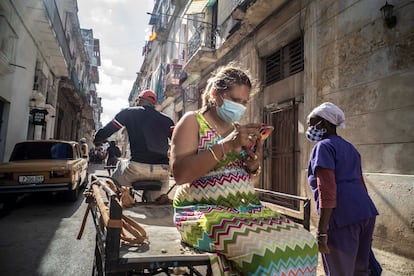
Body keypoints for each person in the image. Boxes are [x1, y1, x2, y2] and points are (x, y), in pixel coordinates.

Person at [170, 64, 318, 275]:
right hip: (201, 210)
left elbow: (248, 184)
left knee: (305, 244)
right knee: (263, 254)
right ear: (215, 94)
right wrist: (227, 145)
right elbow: (181, 175)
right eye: (234, 100)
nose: (239, 106)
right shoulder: (193, 121)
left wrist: (253, 165)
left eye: (244, 102)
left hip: (245, 210)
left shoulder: (238, 129)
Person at [306, 102, 379, 276]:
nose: (309, 127)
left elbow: (327, 190)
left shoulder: (323, 147)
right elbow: (361, 183)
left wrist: (322, 231)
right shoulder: (350, 147)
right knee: (360, 269)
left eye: (311, 123)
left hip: (342, 216)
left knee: (340, 271)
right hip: (365, 211)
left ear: (322, 124)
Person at [93, 90, 174, 201]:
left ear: (138, 101)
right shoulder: (167, 120)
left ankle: (120, 200)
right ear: (154, 104)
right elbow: (176, 140)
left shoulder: (129, 113)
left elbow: (108, 130)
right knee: (157, 203)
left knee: (114, 177)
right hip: (163, 171)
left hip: (136, 168)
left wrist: (98, 139)